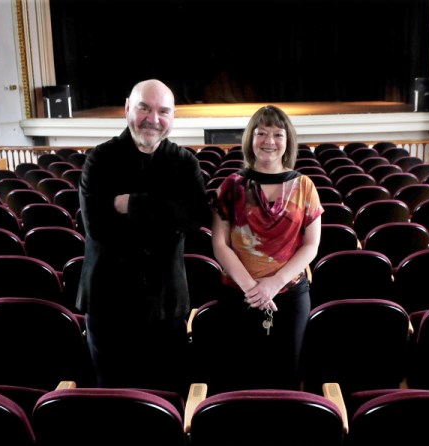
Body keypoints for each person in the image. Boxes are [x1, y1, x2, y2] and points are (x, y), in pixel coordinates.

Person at [77, 79, 210, 392]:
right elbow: (98, 226)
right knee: (113, 399)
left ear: (173, 117)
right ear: (127, 109)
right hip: (109, 305)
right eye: (144, 108)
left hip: (165, 306)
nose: (154, 119)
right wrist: (166, 212)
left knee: (165, 398)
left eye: (163, 111)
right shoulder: (99, 160)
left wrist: (130, 203)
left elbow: (195, 218)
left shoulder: (184, 162)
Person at [210, 105, 323, 390]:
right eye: (261, 133)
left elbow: (311, 245)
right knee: (239, 377)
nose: (269, 141)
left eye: (277, 134)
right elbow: (220, 243)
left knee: (286, 376)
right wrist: (252, 288)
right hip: (238, 295)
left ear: (288, 141)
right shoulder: (231, 186)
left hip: (290, 296)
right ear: (250, 138)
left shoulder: (304, 186)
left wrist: (273, 284)